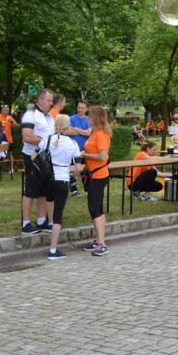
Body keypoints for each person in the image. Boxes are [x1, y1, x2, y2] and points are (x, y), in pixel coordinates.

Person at [43, 114, 79, 260]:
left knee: (50, 209)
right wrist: (74, 176)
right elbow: (78, 167)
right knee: (58, 216)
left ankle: (49, 224)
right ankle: (52, 250)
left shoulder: (47, 139)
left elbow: (34, 157)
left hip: (48, 179)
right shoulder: (72, 143)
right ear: (67, 126)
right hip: (62, 179)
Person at [20, 89, 55, 234]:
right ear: (40, 100)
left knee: (43, 190)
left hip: (45, 157)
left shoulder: (49, 116)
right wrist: (47, 142)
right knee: (31, 189)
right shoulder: (30, 114)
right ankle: (26, 223)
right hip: (32, 157)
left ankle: (41, 221)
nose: (51, 103)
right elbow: (27, 136)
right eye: (49, 100)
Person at [80, 105, 113, 256]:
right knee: (97, 208)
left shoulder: (100, 135)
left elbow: (102, 156)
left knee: (94, 208)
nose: (87, 118)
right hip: (93, 174)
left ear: (96, 118)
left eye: (90, 116)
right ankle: (98, 240)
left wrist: (86, 155)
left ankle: (102, 243)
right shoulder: (95, 132)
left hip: (99, 175)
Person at [67, 101, 92, 198]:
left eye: (82, 108)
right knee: (72, 169)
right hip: (72, 150)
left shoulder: (88, 119)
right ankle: (74, 190)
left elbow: (89, 133)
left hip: (84, 150)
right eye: (79, 107)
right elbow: (69, 131)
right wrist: (82, 131)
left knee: (85, 170)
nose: (80, 110)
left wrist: (75, 129)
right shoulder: (71, 118)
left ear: (86, 109)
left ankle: (87, 190)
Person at [0, 105, 18, 173]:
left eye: (8, 111)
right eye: (6, 111)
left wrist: (11, 121)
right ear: (2, 110)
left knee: (10, 154)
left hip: (9, 139)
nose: (7, 112)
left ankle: (11, 169)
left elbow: (16, 126)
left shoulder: (9, 117)